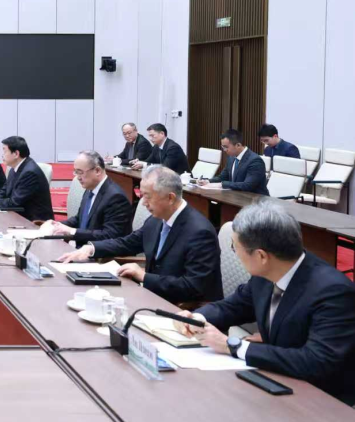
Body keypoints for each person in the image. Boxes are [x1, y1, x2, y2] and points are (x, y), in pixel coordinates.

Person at [174, 200, 355, 406]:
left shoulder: (333, 291)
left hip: (321, 400)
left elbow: (316, 362)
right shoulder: (267, 273)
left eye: (235, 248)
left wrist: (233, 346)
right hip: (277, 380)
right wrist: (197, 318)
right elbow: (234, 306)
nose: (235, 253)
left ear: (261, 256)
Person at [58, 165, 222, 306]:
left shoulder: (200, 232)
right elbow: (129, 243)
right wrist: (91, 248)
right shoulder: (157, 219)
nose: (143, 203)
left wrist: (144, 276)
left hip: (183, 309)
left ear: (170, 198)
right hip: (153, 297)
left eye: (147, 196)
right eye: (142, 195)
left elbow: (193, 286)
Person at [49, 150, 132, 244]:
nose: (78, 177)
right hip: (82, 246)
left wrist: (72, 231)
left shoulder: (116, 197)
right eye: (76, 172)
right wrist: (56, 225)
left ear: (97, 171)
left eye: (80, 172)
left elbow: (109, 236)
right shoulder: (90, 188)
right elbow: (79, 219)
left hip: (98, 252)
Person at [0, 136, 53, 221]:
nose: (2, 155)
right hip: (19, 215)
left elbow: (14, 203)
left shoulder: (29, 173)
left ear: (16, 154)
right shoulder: (14, 168)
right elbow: (4, 191)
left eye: (5, 151)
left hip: (35, 221)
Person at [200, 129, 269, 195]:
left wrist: (222, 184)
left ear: (238, 145)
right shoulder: (231, 157)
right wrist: (208, 181)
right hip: (236, 196)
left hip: (256, 200)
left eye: (226, 147)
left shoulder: (255, 161)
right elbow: (223, 177)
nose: (224, 150)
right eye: (223, 147)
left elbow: (247, 185)